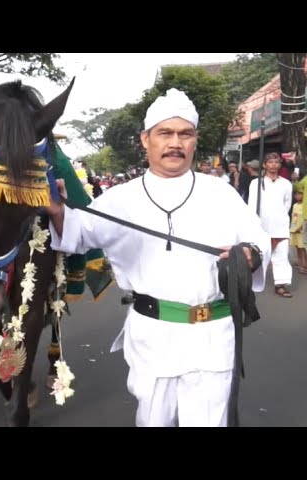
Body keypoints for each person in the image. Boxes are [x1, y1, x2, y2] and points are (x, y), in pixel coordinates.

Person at [46, 88, 271, 427]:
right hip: (152, 338)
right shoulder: (119, 199)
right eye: (165, 133)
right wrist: (56, 209)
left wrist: (250, 254)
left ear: (195, 141)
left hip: (213, 336)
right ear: (146, 140)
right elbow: (78, 233)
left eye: (186, 134)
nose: (175, 143)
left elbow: (257, 240)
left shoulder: (221, 193)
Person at [248, 152, 294, 298]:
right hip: (262, 225)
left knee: (281, 255)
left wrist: (279, 217)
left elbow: (287, 204)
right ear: (264, 165)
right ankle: (249, 282)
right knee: (257, 255)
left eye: (276, 162)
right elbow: (251, 205)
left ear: (280, 164)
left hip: (280, 225)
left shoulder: (286, 184)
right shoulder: (256, 183)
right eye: (270, 162)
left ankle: (281, 284)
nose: (274, 165)